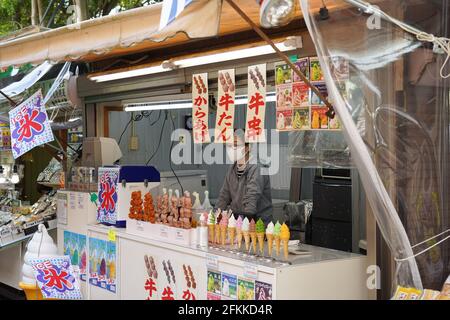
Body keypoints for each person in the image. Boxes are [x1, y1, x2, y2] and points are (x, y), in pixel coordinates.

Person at [215, 130, 273, 225]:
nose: (231, 149)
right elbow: (224, 196)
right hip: (238, 222)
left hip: (258, 225)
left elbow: (251, 199)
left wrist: (243, 223)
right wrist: (214, 217)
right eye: (228, 146)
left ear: (247, 148)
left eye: (235, 145)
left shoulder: (257, 168)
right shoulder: (232, 169)